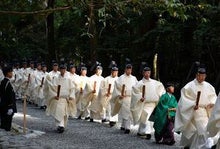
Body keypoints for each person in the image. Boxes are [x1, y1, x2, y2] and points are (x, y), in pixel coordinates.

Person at [174, 67, 217, 148]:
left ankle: (200, 146)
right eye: (201, 76)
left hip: (204, 110)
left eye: (204, 76)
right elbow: (184, 99)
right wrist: (192, 104)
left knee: (203, 128)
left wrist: (212, 103)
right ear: (197, 75)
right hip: (193, 110)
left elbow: (213, 97)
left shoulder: (209, 86)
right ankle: (189, 145)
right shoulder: (189, 86)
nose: (202, 78)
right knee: (192, 130)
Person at [131, 67, 165, 138]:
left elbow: (160, 88)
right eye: (146, 72)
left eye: (148, 73)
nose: (147, 74)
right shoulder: (139, 83)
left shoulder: (154, 82)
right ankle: (140, 131)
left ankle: (147, 132)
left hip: (151, 103)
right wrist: (140, 97)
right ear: (143, 73)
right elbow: (135, 92)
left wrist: (161, 96)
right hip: (143, 103)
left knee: (145, 114)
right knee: (143, 115)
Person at [46, 64, 76, 133]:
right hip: (58, 98)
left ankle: (62, 125)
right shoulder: (56, 77)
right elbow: (52, 87)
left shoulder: (68, 78)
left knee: (65, 114)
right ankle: (60, 125)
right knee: (58, 112)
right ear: (60, 70)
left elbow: (72, 88)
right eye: (61, 69)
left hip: (65, 98)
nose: (63, 71)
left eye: (64, 69)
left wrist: (71, 96)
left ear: (65, 70)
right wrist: (54, 95)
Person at [111, 64, 138, 134]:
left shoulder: (134, 78)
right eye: (128, 69)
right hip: (124, 97)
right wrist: (119, 94)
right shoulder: (121, 78)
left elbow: (137, 87)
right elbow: (116, 87)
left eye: (130, 69)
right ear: (125, 69)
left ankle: (123, 125)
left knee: (127, 112)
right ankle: (127, 128)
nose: (129, 71)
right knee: (126, 112)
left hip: (131, 97)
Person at [0, 66, 17, 131]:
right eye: (11, 72)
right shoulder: (7, 83)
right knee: (7, 122)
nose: (12, 73)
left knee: (4, 120)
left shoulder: (3, 81)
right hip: (7, 106)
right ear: (8, 73)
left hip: (3, 105)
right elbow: (8, 95)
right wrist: (10, 107)